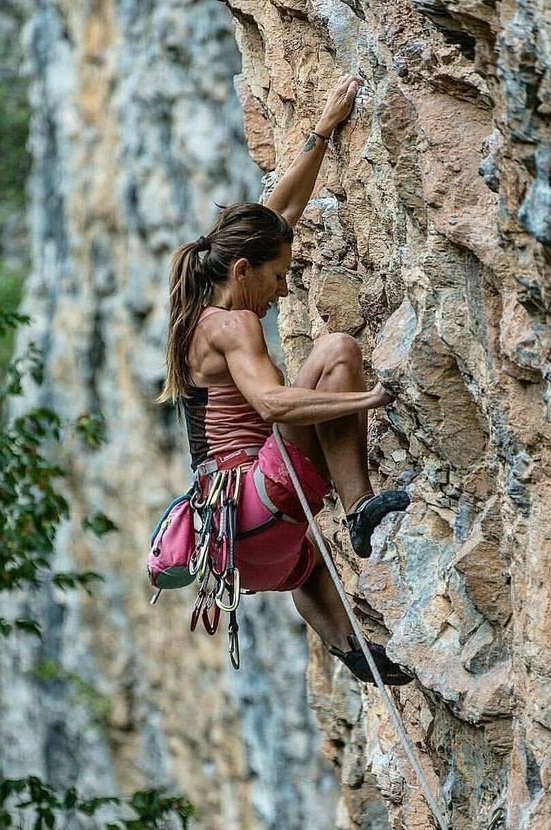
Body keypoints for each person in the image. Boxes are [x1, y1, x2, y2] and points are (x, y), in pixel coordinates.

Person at [156, 73, 412, 685]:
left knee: (307, 565)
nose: (284, 288)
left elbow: (282, 216)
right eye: (278, 277)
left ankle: (348, 645)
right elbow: (271, 404)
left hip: (244, 547)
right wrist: (366, 398)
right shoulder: (232, 325)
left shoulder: (202, 313)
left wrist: (322, 132)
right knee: (338, 350)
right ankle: (360, 508)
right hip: (256, 500)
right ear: (242, 270)